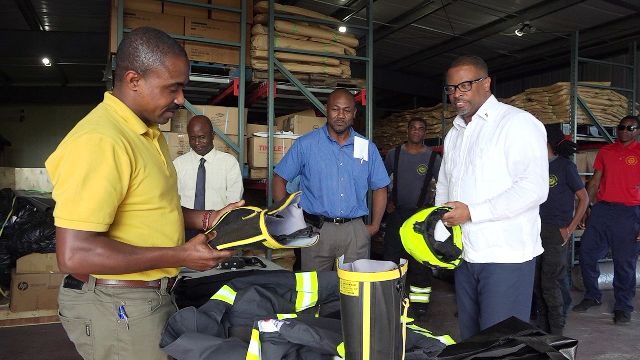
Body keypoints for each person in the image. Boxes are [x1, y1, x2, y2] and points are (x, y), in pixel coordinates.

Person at [45, 27, 241, 360]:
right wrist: (180, 255)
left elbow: (153, 208)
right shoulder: (101, 141)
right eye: (173, 88)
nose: (181, 99)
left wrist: (207, 217)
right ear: (134, 80)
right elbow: (75, 254)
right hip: (118, 307)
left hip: (146, 298)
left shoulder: (145, 134)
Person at [435, 55, 549, 340]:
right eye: (451, 88)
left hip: (505, 256)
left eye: (464, 85)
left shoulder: (517, 124)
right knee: (471, 339)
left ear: (486, 83)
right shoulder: (455, 133)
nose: (456, 94)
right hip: (466, 255)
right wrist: (439, 232)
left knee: (501, 341)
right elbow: (445, 188)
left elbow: (534, 188)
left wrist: (472, 213)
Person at [272, 88, 389, 271]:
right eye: (335, 109)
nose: (340, 115)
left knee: (355, 293)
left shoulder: (367, 148)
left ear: (354, 113)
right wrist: (288, 217)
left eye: (346, 110)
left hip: (355, 231)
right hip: (317, 230)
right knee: (314, 290)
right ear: (326, 110)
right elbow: (279, 179)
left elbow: (380, 187)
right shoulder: (306, 144)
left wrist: (374, 225)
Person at [573, 115, 640, 325]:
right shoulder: (606, 151)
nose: (625, 130)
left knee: (624, 263)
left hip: (629, 213)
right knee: (587, 253)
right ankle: (592, 295)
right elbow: (594, 182)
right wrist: (585, 208)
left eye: (630, 128)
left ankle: (623, 306)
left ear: (637, 131)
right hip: (602, 210)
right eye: (621, 127)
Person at [383, 117, 441, 318]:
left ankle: (420, 306)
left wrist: (435, 213)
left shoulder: (433, 158)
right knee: (391, 260)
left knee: (420, 262)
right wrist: (387, 202)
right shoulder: (394, 154)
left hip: (420, 218)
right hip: (397, 215)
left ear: (425, 133)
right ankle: (391, 301)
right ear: (407, 131)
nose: (416, 131)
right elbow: (381, 181)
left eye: (421, 129)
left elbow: (443, 185)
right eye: (413, 128)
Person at [533, 125, 588, 335]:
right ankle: (543, 327)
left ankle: (556, 332)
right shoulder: (534, 167)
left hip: (556, 232)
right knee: (537, 283)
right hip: (534, 231)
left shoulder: (565, 166)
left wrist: (570, 228)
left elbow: (584, 198)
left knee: (549, 282)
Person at [173, 115, 243, 211]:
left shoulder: (229, 163)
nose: (197, 142)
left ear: (213, 135)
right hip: (185, 223)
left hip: (220, 223)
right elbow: (172, 198)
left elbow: (234, 199)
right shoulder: (178, 164)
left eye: (202, 137)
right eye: (192, 138)